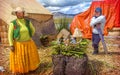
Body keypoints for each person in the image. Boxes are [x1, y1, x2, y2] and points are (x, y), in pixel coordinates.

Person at [8, 7, 40, 74]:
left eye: (21, 13)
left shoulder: (28, 22)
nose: (19, 14)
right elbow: (10, 35)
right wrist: (11, 44)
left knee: (29, 57)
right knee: (20, 58)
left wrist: (29, 36)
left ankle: (31, 68)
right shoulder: (13, 23)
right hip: (18, 44)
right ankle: (21, 69)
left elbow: (33, 30)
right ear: (16, 14)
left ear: (23, 14)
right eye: (17, 13)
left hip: (28, 43)